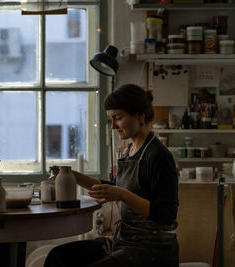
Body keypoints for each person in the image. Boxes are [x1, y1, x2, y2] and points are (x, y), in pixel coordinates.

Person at [44, 84, 179, 267]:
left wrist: (122, 194)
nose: (114, 126)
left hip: (153, 249)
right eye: (111, 119)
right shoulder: (131, 149)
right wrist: (75, 176)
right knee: (58, 256)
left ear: (139, 116)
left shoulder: (158, 156)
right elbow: (113, 187)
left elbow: (166, 215)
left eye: (118, 118)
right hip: (124, 241)